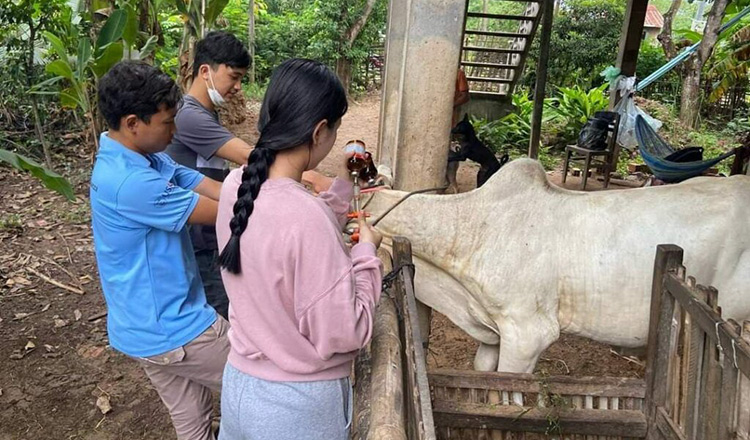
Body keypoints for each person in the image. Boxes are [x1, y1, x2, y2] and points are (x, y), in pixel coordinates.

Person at [215, 58, 383, 440]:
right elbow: (346, 332)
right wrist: (366, 255)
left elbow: (281, 234)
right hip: (296, 408)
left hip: (240, 387)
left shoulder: (236, 186)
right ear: (320, 130)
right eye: (335, 130)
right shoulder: (305, 219)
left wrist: (340, 190)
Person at [91, 61, 228, 440]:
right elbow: (223, 213)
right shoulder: (133, 182)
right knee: (261, 384)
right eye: (167, 122)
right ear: (134, 122)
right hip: (177, 327)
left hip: (141, 328)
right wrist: (282, 196)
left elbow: (204, 183)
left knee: (192, 420)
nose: (175, 130)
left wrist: (259, 183)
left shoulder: (137, 157)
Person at [166, 31, 252, 319]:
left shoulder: (206, 112)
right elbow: (247, 156)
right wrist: (313, 177)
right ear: (206, 71)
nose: (238, 87)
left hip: (209, 233)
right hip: (198, 241)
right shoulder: (188, 115)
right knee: (224, 316)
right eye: (234, 76)